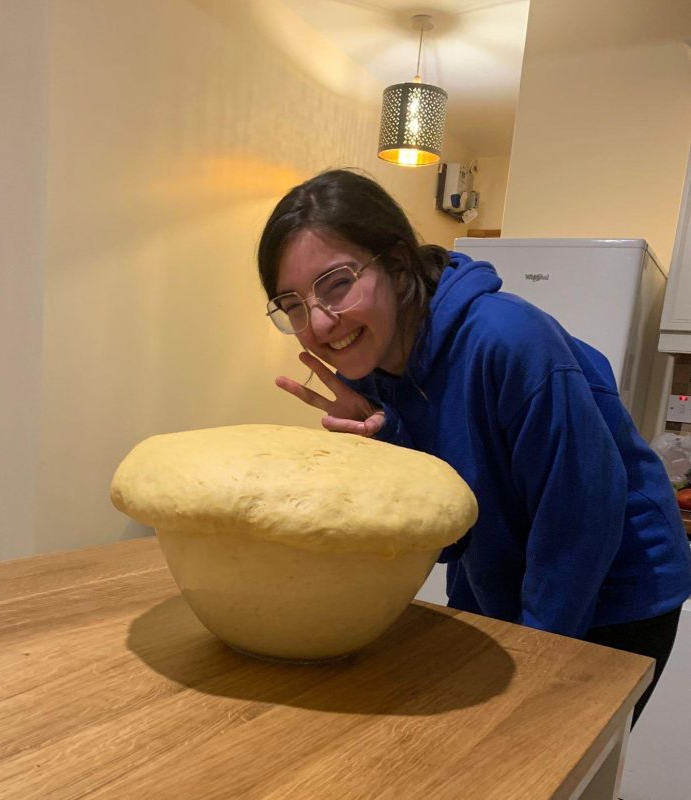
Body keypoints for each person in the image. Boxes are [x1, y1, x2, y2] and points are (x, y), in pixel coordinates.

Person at [257, 168, 691, 725]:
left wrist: (535, 657)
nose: (318, 322)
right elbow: (448, 536)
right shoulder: (368, 375)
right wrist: (388, 444)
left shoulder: (505, 339)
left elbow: (582, 516)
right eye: (292, 303)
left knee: (546, 752)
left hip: (616, 588)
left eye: (337, 283)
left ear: (396, 262)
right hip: (502, 571)